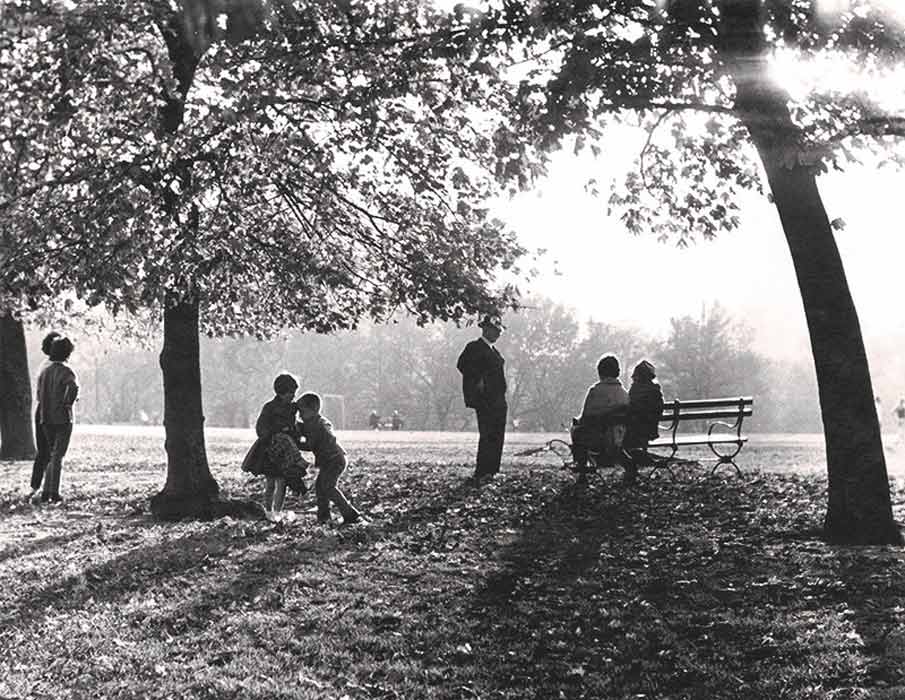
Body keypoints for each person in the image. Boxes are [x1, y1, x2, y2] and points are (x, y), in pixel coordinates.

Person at [243, 373, 309, 521]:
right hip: (270, 449)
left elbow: (297, 424)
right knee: (271, 482)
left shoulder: (293, 408)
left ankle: (277, 512)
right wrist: (276, 431)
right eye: (290, 393)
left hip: (286, 451)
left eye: (294, 393)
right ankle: (268, 511)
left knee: (282, 482)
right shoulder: (270, 407)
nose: (293, 396)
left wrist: (297, 434)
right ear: (281, 392)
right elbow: (261, 428)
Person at [297, 391, 362, 525]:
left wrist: (295, 443)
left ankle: (350, 514)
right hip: (330, 461)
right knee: (321, 487)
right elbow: (303, 429)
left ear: (313, 410)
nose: (300, 415)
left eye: (302, 412)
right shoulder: (312, 422)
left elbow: (310, 444)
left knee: (328, 487)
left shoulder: (317, 424)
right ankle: (324, 517)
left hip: (334, 460)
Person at [456, 314, 507, 481]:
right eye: (495, 330)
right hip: (485, 399)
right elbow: (462, 365)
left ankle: (493, 470)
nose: (498, 334)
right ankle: (483, 470)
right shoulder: (474, 347)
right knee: (487, 434)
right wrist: (478, 380)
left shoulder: (495, 351)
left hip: (498, 398)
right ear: (485, 329)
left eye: (499, 331)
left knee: (498, 435)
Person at [570, 354, 630, 481]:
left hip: (599, 439)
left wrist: (578, 422)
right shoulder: (624, 393)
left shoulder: (595, 391)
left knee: (577, 430)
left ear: (600, 372)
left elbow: (586, 417)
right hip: (621, 437)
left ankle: (582, 471)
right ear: (617, 373)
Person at [35, 335, 79, 504]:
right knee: (58, 456)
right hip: (62, 418)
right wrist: (67, 403)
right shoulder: (67, 371)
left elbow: (39, 395)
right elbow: (73, 387)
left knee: (51, 454)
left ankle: (46, 491)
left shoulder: (45, 371)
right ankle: (54, 492)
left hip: (46, 418)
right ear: (68, 353)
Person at [29, 330, 61, 499]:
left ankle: (39, 487)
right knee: (47, 451)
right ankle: (43, 488)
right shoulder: (51, 368)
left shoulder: (46, 366)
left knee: (45, 451)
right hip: (48, 410)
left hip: (44, 409)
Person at [623, 360, 666, 482]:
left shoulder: (635, 390)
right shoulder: (655, 391)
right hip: (650, 430)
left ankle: (631, 467)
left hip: (633, 431)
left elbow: (628, 408)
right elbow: (659, 411)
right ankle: (640, 458)